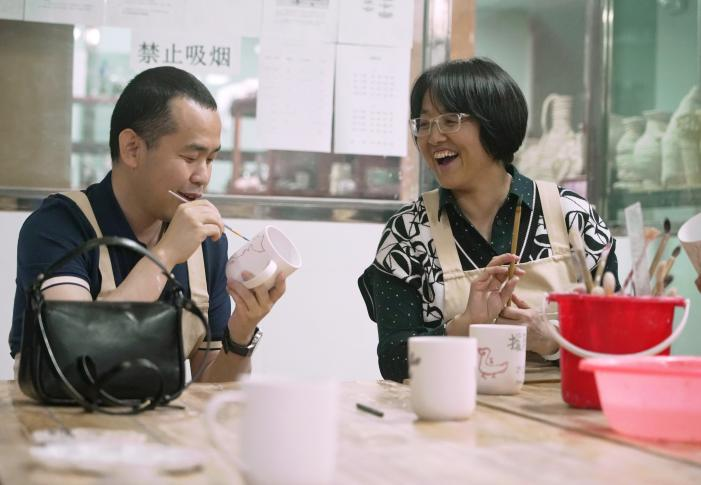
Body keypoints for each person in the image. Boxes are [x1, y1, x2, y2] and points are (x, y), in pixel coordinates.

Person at [9, 66, 286, 382]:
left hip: (156, 414)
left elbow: (211, 390)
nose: (203, 176)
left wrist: (242, 329)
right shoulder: (58, 226)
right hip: (60, 414)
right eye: (190, 157)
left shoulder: (206, 245)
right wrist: (165, 254)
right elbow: (73, 356)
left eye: (210, 160)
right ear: (132, 149)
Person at [358, 57, 619, 383]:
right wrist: (464, 326)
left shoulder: (573, 217)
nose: (433, 137)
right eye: (423, 124)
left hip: (562, 412)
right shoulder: (408, 232)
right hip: (448, 410)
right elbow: (393, 360)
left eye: (450, 120)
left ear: (494, 123)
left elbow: (621, 343)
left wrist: (551, 341)